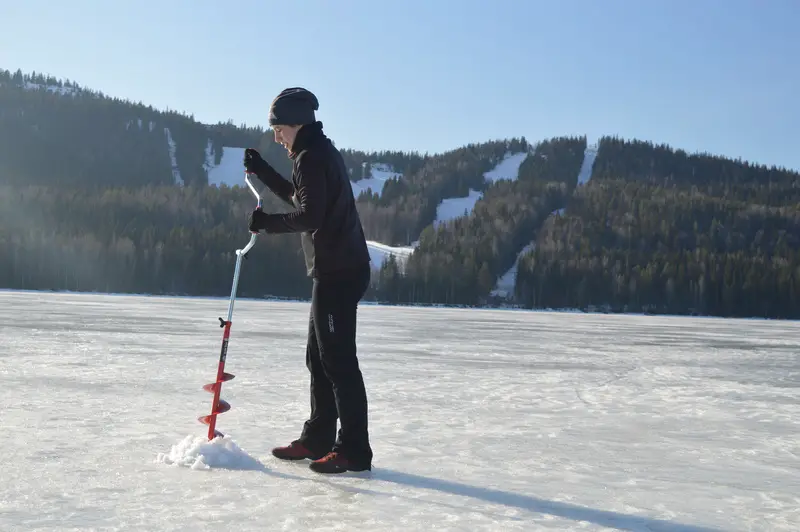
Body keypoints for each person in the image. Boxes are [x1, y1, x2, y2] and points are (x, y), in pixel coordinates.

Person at [243, 87, 373, 474]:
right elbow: (303, 199)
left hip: (339, 273)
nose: (276, 136)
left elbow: (310, 217)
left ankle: (353, 450)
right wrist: (264, 172)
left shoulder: (311, 156)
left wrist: (267, 224)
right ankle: (317, 439)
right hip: (337, 269)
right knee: (318, 357)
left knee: (338, 361)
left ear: (296, 124)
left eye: (279, 129)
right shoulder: (312, 153)